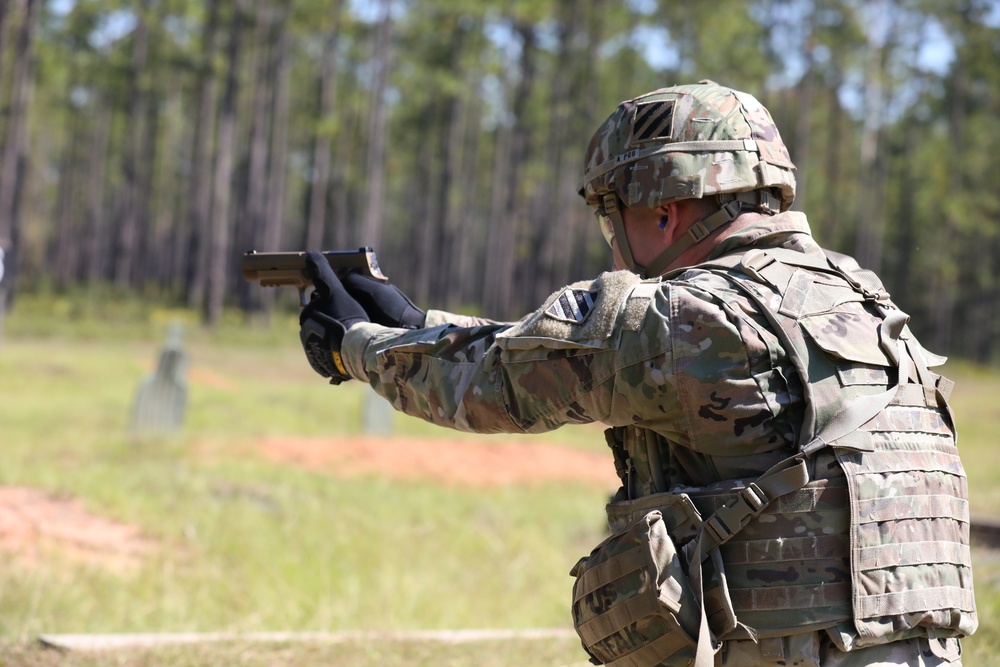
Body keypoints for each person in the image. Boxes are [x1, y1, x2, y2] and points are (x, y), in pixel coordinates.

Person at [296, 81, 976, 666]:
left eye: (609, 212)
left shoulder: (690, 315)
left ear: (662, 209)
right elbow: (570, 355)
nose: (613, 236)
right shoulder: (862, 301)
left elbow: (493, 386)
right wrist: (423, 324)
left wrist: (354, 346)